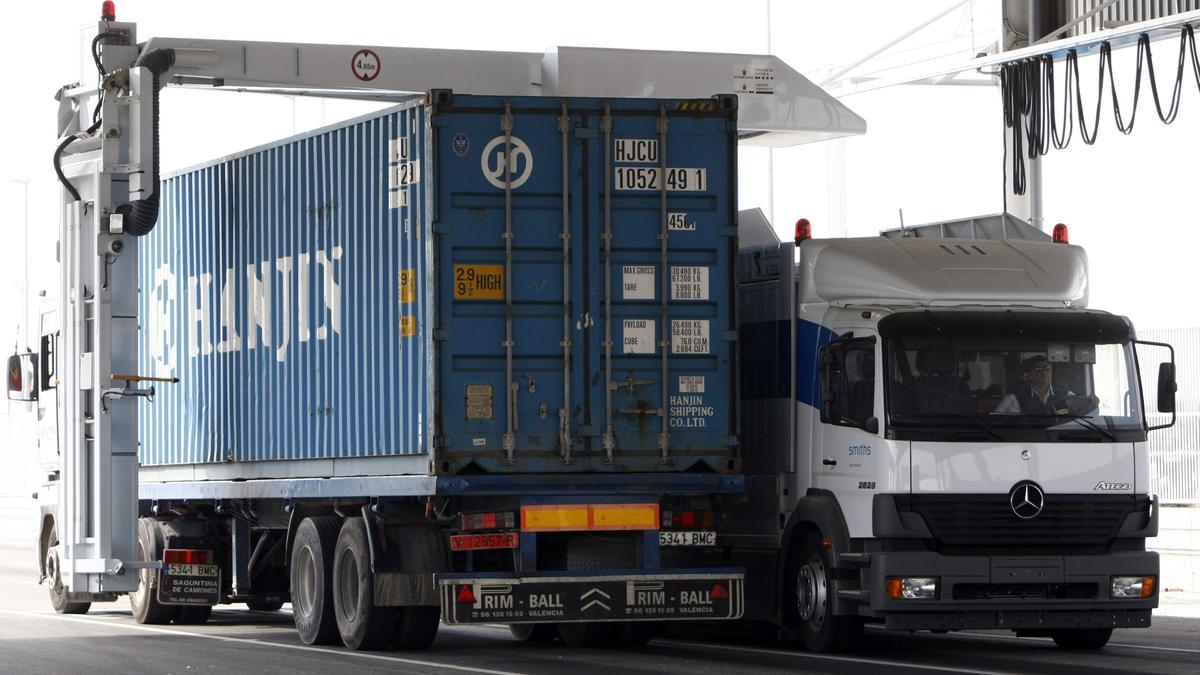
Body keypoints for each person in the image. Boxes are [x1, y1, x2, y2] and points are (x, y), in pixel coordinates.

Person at [993, 355, 1069, 415]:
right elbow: (995, 422)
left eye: (1047, 368)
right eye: (1038, 369)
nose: (1044, 372)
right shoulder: (1014, 398)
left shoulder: (1066, 395)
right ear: (1029, 375)